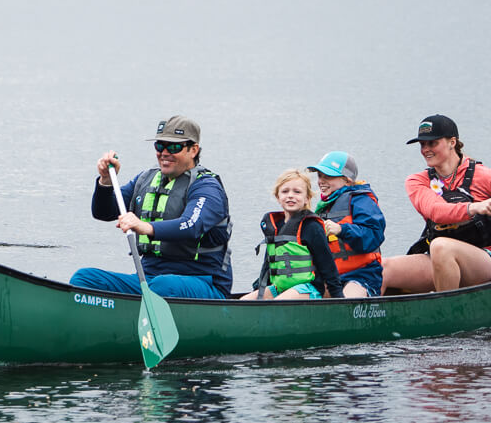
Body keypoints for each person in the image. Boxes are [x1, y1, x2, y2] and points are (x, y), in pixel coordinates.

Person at [380, 114, 491, 293]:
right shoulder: (417, 181)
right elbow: (435, 211)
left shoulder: (484, 177)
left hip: (487, 260)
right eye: (422, 144)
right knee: (381, 268)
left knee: (441, 246)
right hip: (440, 260)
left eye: (432, 143)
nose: (425, 149)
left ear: (452, 142)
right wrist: (473, 207)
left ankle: (446, 313)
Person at [71, 115, 233, 299]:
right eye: (160, 146)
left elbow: (191, 225)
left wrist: (145, 227)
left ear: (193, 150)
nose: (164, 152)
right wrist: (106, 181)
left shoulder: (207, 187)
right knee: (84, 279)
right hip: (148, 279)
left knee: (163, 286)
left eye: (174, 147)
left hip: (202, 282)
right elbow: (104, 212)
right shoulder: (145, 180)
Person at [240, 168, 342, 300]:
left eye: (297, 192)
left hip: (308, 288)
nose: (290, 195)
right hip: (280, 288)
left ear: (307, 198)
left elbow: (327, 265)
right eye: (285, 191)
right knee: (245, 302)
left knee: (278, 304)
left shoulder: (311, 226)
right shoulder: (275, 226)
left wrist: (339, 298)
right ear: (278, 197)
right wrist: (259, 289)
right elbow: (268, 265)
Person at [306, 150, 386, 298]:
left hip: (362, 275)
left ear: (347, 181)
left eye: (328, 176)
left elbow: (374, 235)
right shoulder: (324, 207)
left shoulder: (361, 200)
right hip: (332, 277)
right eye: (320, 176)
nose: (321, 181)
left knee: (346, 302)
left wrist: (342, 230)